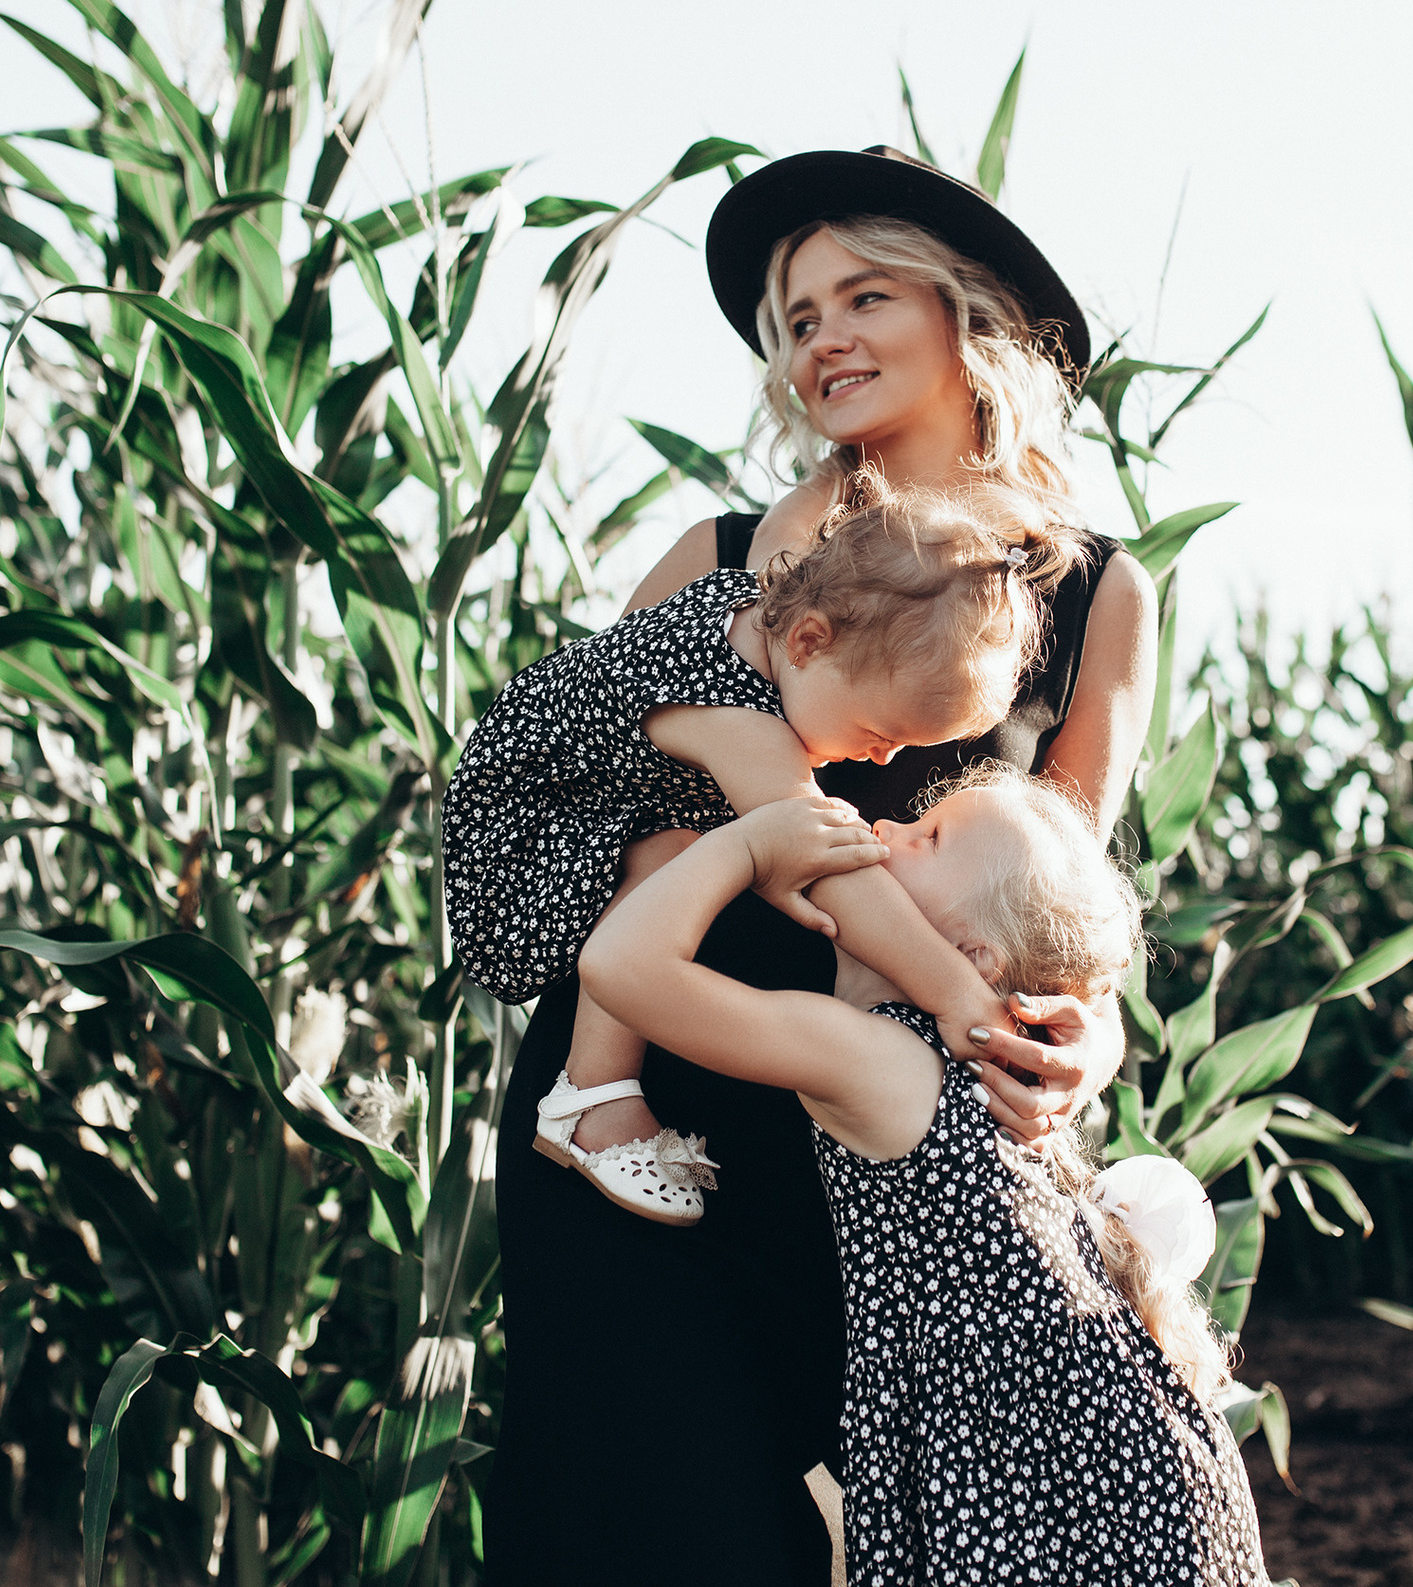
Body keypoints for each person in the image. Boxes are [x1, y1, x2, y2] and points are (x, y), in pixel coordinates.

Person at [485, 147, 1156, 1584]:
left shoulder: (1099, 591)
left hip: (889, 1159)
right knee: (671, 1538)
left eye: (863, 294)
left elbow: (1063, 893)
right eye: (795, 319)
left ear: (970, 317)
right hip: (646, 1113)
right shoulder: (714, 564)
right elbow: (616, 800)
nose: (820, 340)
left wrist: (1076, 1036)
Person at [581, 776, 1270, 1586]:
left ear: (974, 953)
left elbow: (618, 965)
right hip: (1124, 1479)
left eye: (929, 836)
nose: (885, 825)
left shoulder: (879, 1060)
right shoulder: (976, 1064)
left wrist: (748, 843)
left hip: (1066, 1494)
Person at [445, 486, 1081, 1224]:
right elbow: (836, 870)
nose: (882, 758)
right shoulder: (736, 716)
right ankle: (591, 1098)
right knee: (669, 859)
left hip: (575, 794)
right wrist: (960, 998)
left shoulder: (776, 586)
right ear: (809, 641)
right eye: (882, 729)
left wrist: (826, 485)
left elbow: (788, 525)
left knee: (697, 848)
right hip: (522, 830)